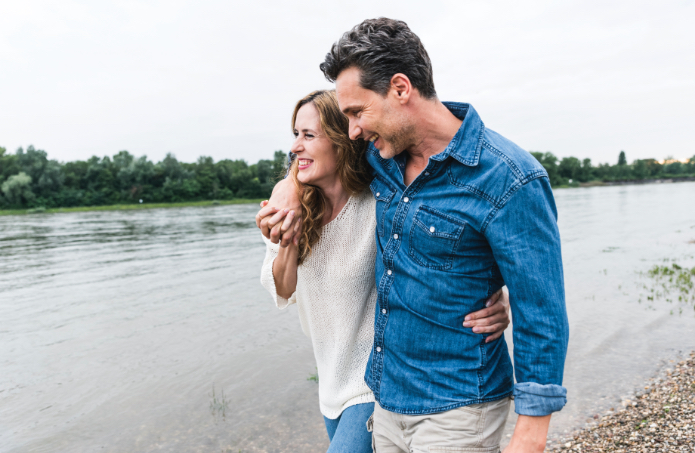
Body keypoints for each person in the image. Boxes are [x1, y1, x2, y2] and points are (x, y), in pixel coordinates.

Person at [259, 18, 570, 453]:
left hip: (460, 405)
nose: (353, 131)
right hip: (387, 402)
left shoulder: (510, 179)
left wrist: (531, 432)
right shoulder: (381, 160)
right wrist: (290, 189)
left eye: (357, 113)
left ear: (401, 89)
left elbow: (542, 313)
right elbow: (316, 154)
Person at [258, 89, 512, 453]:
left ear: (342, 139)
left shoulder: (380, 203)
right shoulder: (293, 209)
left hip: (373, 380)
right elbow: (282, 289)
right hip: (330, 382)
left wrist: (493, 292)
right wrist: (289, 235)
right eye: (295, 135)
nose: (295, 146)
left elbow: (437, 251)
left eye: (308, 135)